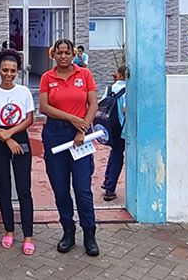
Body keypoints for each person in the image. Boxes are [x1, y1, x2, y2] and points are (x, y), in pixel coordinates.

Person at [39, 38, 100, 256]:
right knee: (61, 188)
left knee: (83, 189)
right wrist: (72, 119)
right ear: (53, 54)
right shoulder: (47, 77)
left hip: (80, 137)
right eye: (59, 53)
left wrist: (81, 129)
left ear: (73, 54)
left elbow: (93, 104)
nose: (63, 56)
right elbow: (44, 107)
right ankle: (68, 230)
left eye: (67, 52)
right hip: (55, 134)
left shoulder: (85, 74)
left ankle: (89, 233)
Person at [0, 49, 36, 255]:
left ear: (17, 71)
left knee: (24, 190)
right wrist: (5, 138)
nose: (9, 74)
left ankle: (28, 235)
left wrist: (10, 135)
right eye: (5, 69)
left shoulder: (23, 92)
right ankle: (9, 230)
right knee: (4, 188)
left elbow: (29, 119)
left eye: (13, 70)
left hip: (19, 140)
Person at [101, 66, 127, 202]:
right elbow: (125, 110)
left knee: (114, 151)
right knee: (118, 156)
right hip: (121, 128)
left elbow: (102, 104)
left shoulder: (109, 89)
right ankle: (110, 189)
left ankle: (107, 181)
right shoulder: (128, 90)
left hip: (108, 127)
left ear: (118, 74)